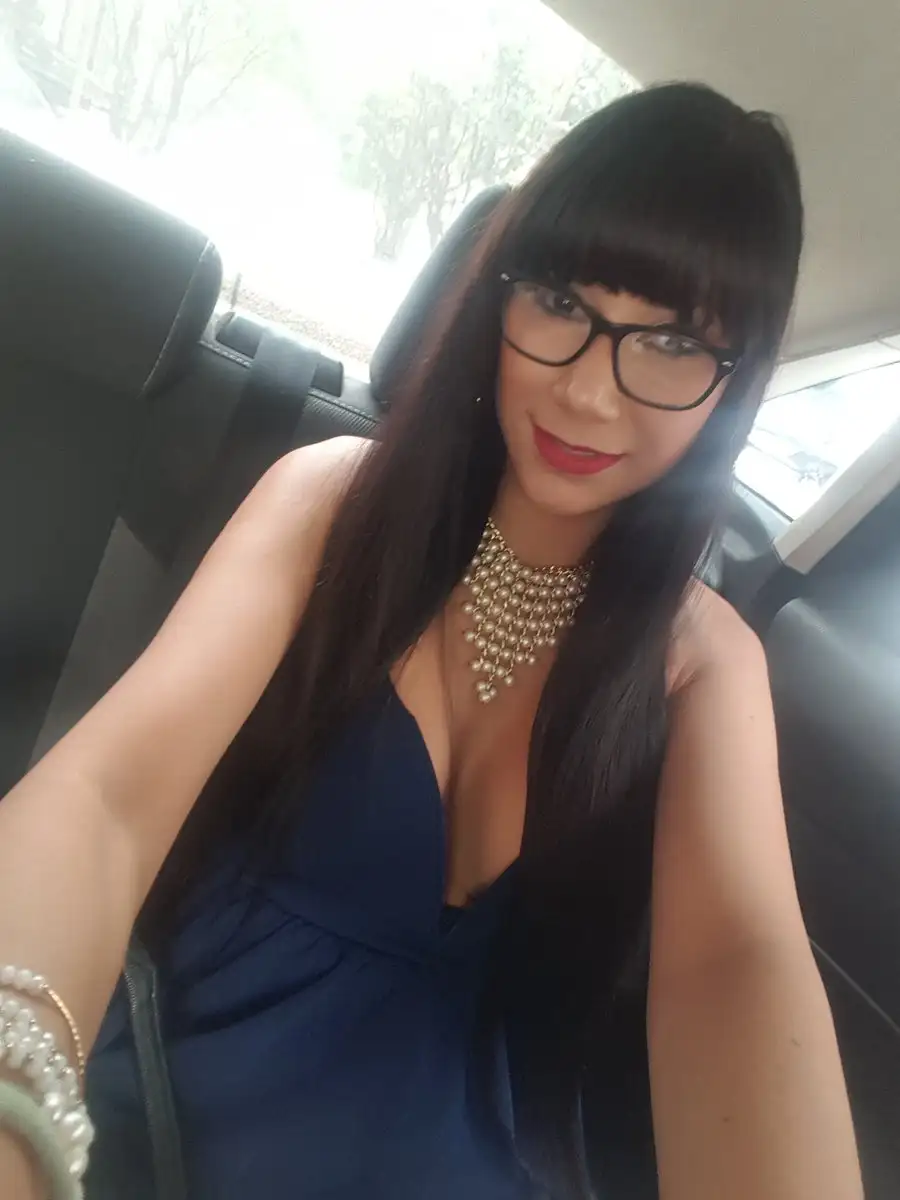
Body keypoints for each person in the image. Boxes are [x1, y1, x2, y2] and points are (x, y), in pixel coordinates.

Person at [0, 83, 863, 1200]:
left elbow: (734, 968)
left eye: (670, 342)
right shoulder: (333, 504)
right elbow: (111, 799)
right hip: (165, 1094)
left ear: (733, 383)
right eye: (559, 300)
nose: (590, 390)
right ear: (499, 298)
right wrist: (16, 1085)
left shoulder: (704, 665)